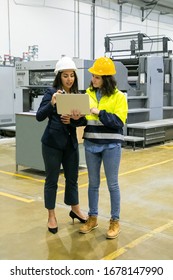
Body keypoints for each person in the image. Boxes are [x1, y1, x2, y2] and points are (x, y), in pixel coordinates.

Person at [36, 56, 87, 234]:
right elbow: (39, 116)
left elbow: (83, 120)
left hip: (70, 144)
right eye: (65, 75)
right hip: (52, 144)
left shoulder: (77, 95)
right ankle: (51, 215)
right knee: (52, 181)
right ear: (59, 76)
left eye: (71, 75)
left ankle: (75, 209)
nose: (69, 79)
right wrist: (52, 104)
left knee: (72, 179)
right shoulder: (51, 93)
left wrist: (73, 120)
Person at [79, 57, 128, 239]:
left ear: (106, 78)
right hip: (91, 143)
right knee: (93, 184)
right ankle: (92, 218)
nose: (93, 79)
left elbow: (118, 122)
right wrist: (77, 115)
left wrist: (99, 112)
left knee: (112, 184)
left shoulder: (119, 97)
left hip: (111, 145)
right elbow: (84, 119)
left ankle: (115, 221)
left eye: (97, 77)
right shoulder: (88, 94)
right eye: (93, 76)